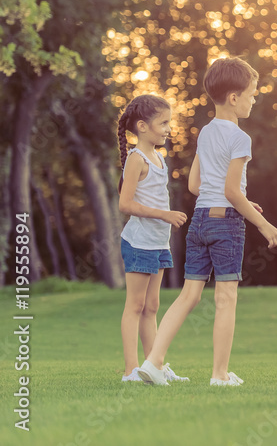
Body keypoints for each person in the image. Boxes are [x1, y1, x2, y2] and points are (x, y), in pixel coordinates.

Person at [138, 57, 277, 386]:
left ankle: (154, 362)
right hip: (226, 223)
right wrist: (263, 224)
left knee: (189, 295)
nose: (254, 99)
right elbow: (232, 191)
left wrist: (241, 202)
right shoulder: (240, 138)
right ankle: (219, 375)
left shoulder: (205, 132)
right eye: (252, 93)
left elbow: (194, 186)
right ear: (234, 97)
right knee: (225, 297)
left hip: (200, 220)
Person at [116, 94, 189, 383]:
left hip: (158, 243)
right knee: (134, 306)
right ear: (143, 127)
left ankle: (153, 366)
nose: (169, 128)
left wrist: (164, 219)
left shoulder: (159, 157)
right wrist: (164, 214)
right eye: (164, 123)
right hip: (138, 242)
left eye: (169, 122)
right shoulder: (137, 158)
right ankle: (130, 371)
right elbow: (125, 204)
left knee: (152, 307)